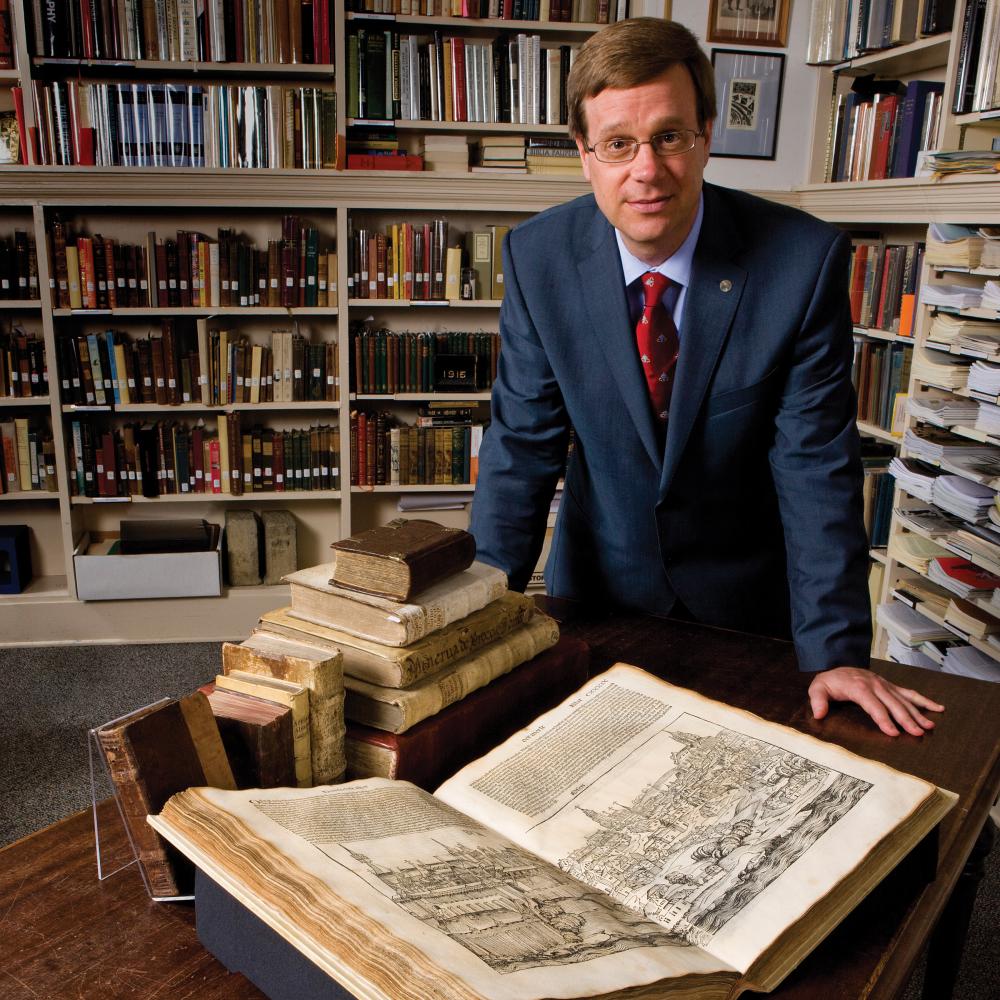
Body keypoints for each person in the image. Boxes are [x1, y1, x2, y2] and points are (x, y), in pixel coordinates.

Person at [469, 18, 943, 737]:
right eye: (618, 144)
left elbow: (816, 468)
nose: (647, 171)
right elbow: (521, 452)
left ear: (706, 135)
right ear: (584, 154)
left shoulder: (800, 263)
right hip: (601, 594)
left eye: (669, 136)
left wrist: (837, 650)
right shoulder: (539, 260)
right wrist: (470, 629)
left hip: (749, 612)